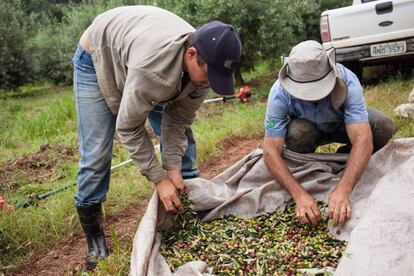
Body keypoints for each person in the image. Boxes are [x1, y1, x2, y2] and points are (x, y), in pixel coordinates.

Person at [72, 5, 241, 269]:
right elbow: (128, 127)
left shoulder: (203, 70)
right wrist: (159, 179)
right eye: (210, 76)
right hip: (98, 56)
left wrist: (172, 168)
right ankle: (95, 244)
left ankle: (186, 214)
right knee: (97, 156)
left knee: (183, 149)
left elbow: (177, 121)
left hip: (143, 55)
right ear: (192, 55)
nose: (210, 84)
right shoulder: (154, 71)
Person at [263, 40, 394, 228]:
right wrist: (299, 194)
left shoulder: (347, 80)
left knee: (383, 126)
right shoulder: (279, 92)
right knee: (298, 133)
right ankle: (311, 170)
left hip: (342, 126)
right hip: (309, 130)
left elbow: (362, 139)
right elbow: (270, 150)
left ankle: (347, 159)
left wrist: (343, 190)